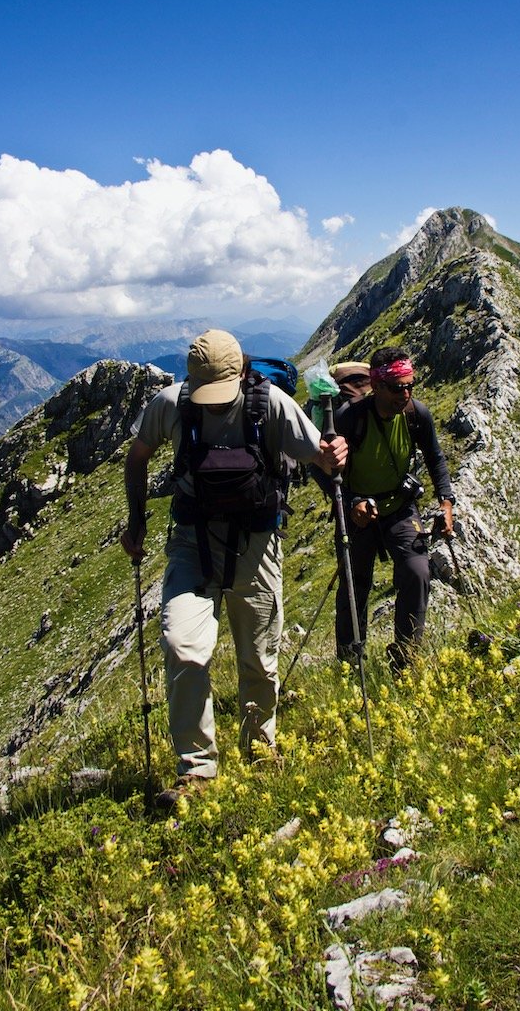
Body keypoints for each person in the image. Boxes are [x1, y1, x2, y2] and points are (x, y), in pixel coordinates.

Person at [120, 329, 347, 808]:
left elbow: (319, 457)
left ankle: (260, 749)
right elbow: (137, 456)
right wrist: (136, 520)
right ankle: (197, 770)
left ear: (242, 373)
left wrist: (333, 455)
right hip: (191, 543)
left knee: (260, 657)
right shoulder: (171, 404)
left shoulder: (272, 405)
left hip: (257, 544)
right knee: (183, 646)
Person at [334, 345, 454, 671]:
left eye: (410, 385)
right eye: (398, 387)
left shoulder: (417, 415)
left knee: (417, 572)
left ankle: (405, 658)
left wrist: (446, 502)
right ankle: (350, 665)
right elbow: (325, 470)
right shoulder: (351, 418)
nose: (406, 393)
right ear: (377, 386)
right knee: (354, 587)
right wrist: (350, 504)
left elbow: (435, 457)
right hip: (358, 512)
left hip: (399, 507)